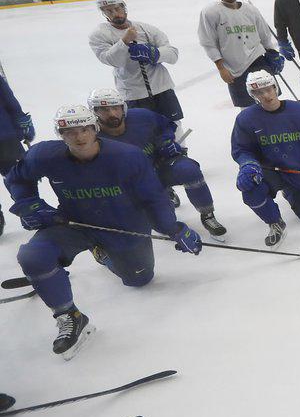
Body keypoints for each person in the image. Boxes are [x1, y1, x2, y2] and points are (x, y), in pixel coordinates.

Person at [5, 105, 202, 360]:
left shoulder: (128, 157)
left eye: (84, 129)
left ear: (94, 128)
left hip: (125, 226)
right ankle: (70, 315)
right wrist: (30, 205)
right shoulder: (44, 155)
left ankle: (104, 255)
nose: (79, 137)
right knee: (33, 257)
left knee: (139, 280)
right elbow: (17, 178)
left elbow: (153, 198)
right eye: (70, 132)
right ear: (60, 134)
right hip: (73, 224)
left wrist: (173, 228)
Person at [88, 88, 226, 239]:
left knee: (188, 170)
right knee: (166, 225)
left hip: (160, 166)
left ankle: (207, 214)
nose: (112, 114)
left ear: (123, 107)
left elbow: (168, 126)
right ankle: (164, 196)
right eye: (105, 110)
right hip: (137, 184)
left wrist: (166, 140)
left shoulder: (141, 116)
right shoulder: (91, 138)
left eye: (116, 108)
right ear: (94, 112)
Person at [231, 71, 300, 247]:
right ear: (253, 95)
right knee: (250, 190)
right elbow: (241, 149)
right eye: (259, 92)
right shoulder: (246, 119)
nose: (266, 95)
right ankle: (275, 222)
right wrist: (247, 164)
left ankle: (293, 191)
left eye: (268, 89)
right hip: (270, 172)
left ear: (275, 87)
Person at [89, 0, 185, 123]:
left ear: (124, 7)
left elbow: (173, 54)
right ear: (103, 13)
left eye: (117, 8)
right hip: (133, 94)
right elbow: (112, 60)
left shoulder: (145, 28)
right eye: (109, 11)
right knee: (144, 132)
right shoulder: (99, 34)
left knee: (174, 129)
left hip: (162, 88)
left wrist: (154, 54)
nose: (115, 14)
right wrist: (124, 42)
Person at [198, 0, 286, 108]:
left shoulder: (250, 10)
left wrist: (273, 54)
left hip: (258, 60)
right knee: (246, 108)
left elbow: (264, 35)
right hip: (234, 68)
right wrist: (221, 68)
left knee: (272, 101)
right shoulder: (210, 12)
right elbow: (208, 42)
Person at [0, 71, 34, 235]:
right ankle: (30, 211)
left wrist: (21, 121)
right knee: (16, 176)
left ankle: (30, 211)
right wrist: (22, 123)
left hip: (4, 138)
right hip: (5, 137)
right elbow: (11, 103)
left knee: (17, 176)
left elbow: (10, 103)